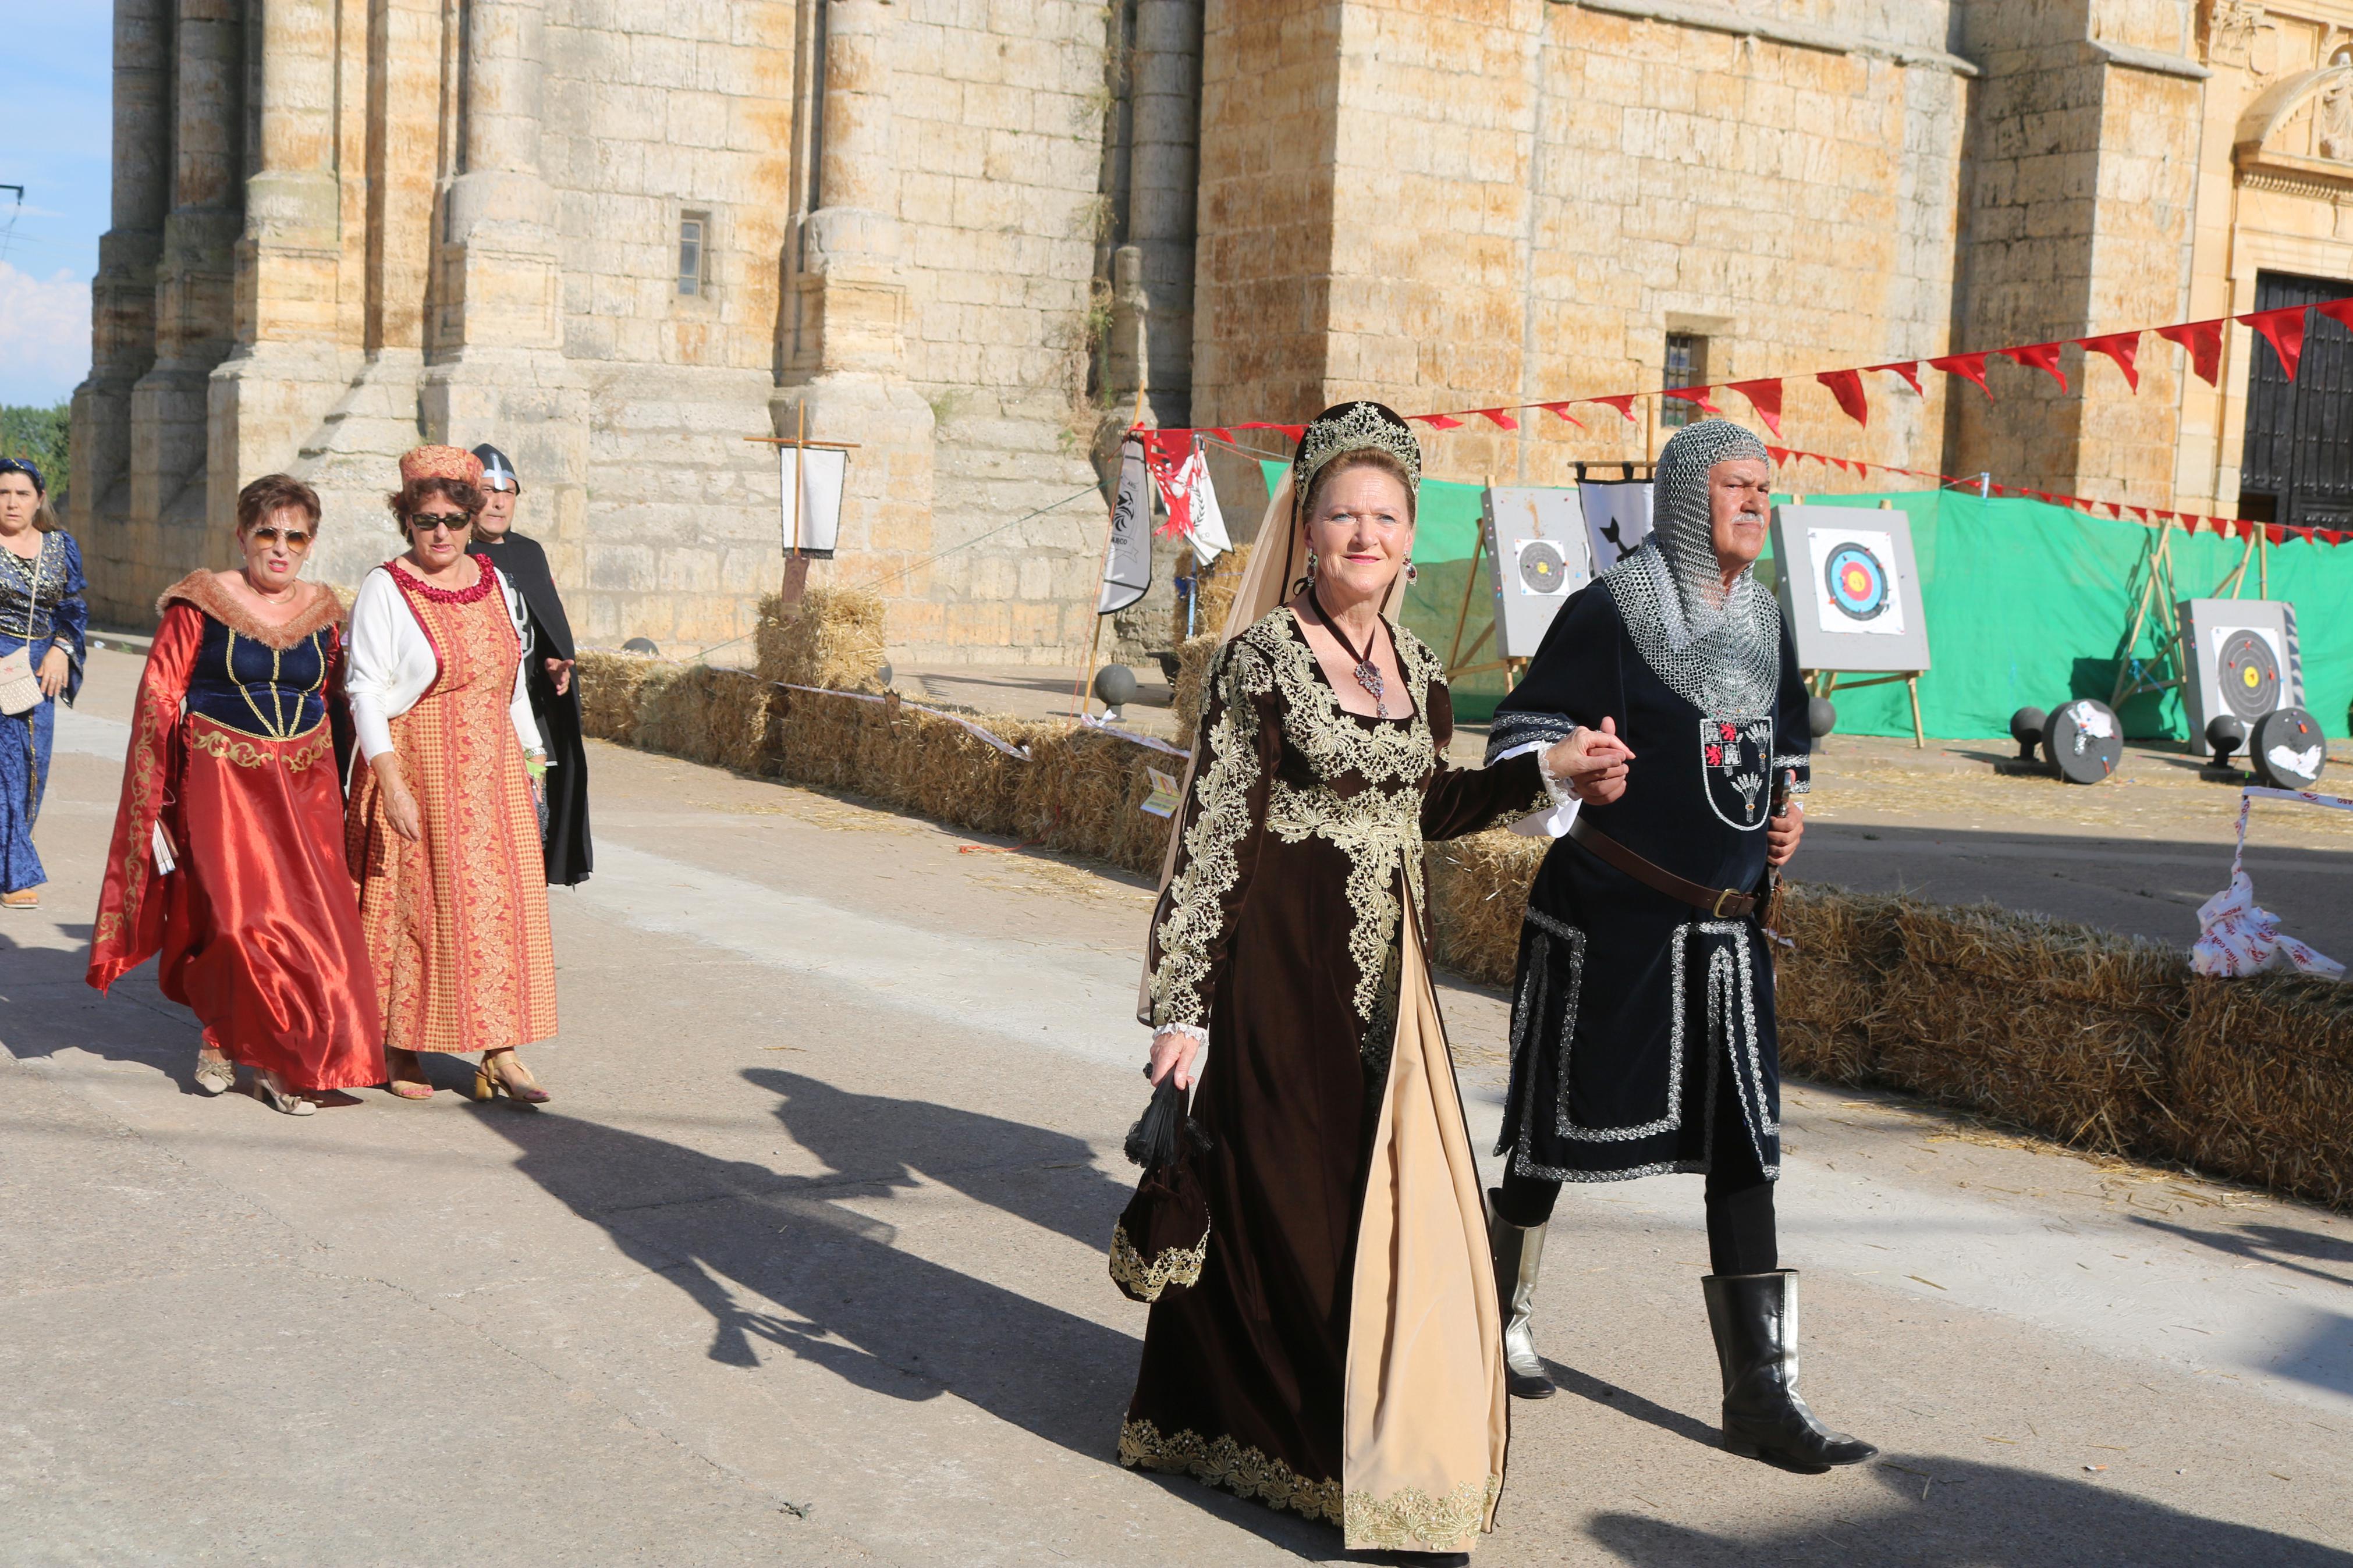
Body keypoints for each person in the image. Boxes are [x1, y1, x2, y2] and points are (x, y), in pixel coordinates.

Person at [1119, 402, 1632, 1556]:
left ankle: (1380, 1458)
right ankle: (1284, 1446)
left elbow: (1425, 806)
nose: (1363, 533)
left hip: (1387, 984)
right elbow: (1215, 834)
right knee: (1289, 1207)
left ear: (1408, 534)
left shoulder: (1414, 663)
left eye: (1385, 515)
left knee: (1380, 1215)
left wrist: (1543, 770)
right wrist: (1182, 1008)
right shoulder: (1258, 662)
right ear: (1304, 530)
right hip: (1275, 979)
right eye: (1340, 513)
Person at [1482, 418, 1876, 1470]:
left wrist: (1789, 817)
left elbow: (1779, 754)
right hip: (1611, 926)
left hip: (1726, 943)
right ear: (1684, 496)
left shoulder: (1766, 619)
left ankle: (1759, 1395)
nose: (1755, 503)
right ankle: (1489, 1316)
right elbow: (1516, 736)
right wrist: (1569, 765)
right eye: (1735, 487)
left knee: (1746, 1153)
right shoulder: (1609, 611)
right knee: (1550, 1139)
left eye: (1763, 487)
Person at [87, 475, 384, 1114]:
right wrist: (154, 806)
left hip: (305, 788)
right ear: (242, 535)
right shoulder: (200, 603)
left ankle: (282, 1058)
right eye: (267, 533)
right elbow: (159, 704)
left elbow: (341, 702)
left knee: (310, 928)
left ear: (311, 542)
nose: (281, 548)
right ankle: (228, 1037)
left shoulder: (324, 611)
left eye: (295, 537)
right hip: (222, 782)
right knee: (239, 922)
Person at [346, 445, 558, 1104]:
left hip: (492, 772)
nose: (441, 532)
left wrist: (533, 759)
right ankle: (399, 1041)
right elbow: (364, 691)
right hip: (418, 766)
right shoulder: (387, 586)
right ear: (406, 520)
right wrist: (392, 782)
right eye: (425, 518)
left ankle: (501, 1051)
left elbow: (513, 682)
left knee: (498, 914)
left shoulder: (494, 580)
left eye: (454, 519)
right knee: (420, 911)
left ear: (473, 519)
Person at [469, 443, 591, 885]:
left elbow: (540, 624)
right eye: (486, 490)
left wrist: (554, 664)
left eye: (509, 492)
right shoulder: (454, 557)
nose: (499, 501)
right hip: (479, 710)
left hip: (532, 711)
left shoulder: (529, 553)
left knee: (531, 818)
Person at [0, 457, 87, 911]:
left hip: (40, 667)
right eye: (3, 493)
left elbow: (73, 607)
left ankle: (10, 859)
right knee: (6, 768)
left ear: (38, 499)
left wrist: (62, 648)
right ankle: (15, 874)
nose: (12, 502)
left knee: (34, 767)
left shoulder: (60, 545)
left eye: (22, 493)